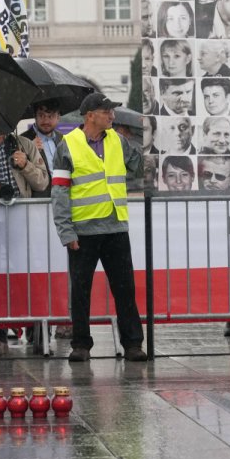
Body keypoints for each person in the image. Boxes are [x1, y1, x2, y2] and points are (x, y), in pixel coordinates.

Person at [51, 95, 147, 363]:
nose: (112, 116)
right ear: (90, 115)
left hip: (115, 227)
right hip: (82, 231)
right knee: (81, 291)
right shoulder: (67, 145)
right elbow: (59, 192)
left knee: (125, 289)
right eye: (107, 112)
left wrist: (149, 141)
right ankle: (81, 344)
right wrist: (66, 232)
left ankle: (133, 344)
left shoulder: (117, 139)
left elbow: (139, 166)